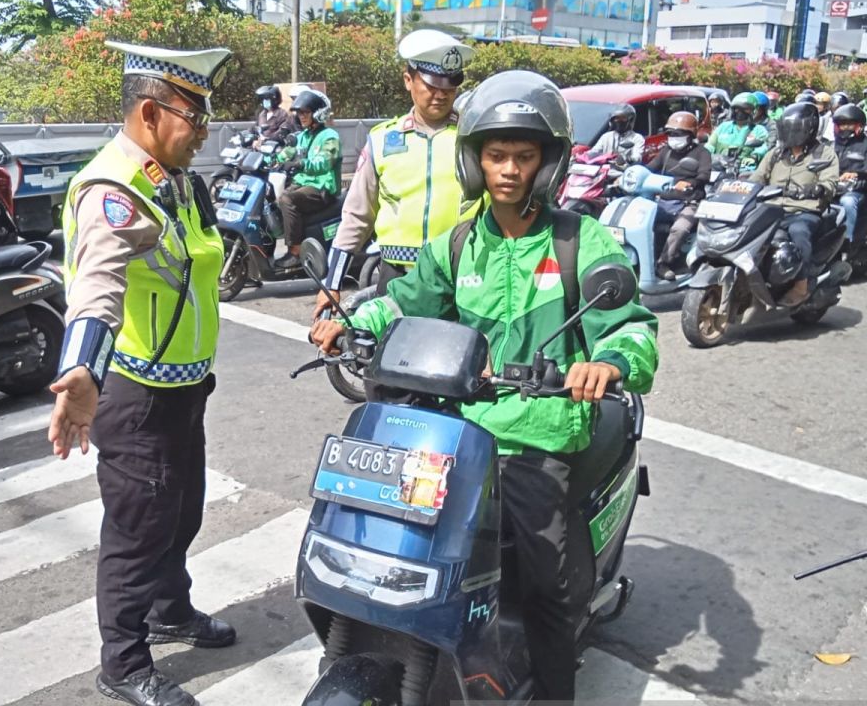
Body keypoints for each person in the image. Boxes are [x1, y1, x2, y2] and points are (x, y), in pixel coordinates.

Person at [310, 70, 659, 702]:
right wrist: (352, 321)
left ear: (547, 163)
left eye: (523, 156)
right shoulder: (460, 242)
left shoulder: (582, 240)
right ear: (475, 159)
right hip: (458, 432)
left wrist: (606, 363)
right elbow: (405, 302)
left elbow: (630, 326)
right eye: (496, 155)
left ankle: (553, 691)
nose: (508, 169)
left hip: (538, 435)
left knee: (549, 588)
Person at [49, 40, 232, 706]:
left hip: (185, 388)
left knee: (179, 514)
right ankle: (122, 662)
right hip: (138, 395)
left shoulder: (174, 177)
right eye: (195, 115)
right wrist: (80, 372)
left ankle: (170, 609)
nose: (205, 130)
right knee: (135, 531)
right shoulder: (115, 189)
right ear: (151, 112)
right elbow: (96, 285)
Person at [317, 29, 483, 315]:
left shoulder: (475, 139)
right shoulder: (382, 140)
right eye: (432, 85)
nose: (441, 95)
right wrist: (332, 282)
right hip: (397, 278)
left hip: (461, 278)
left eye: (450, 87)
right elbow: (357, 215)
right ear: (409, 80)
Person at [749, 102, 841, 307]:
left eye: (795, 129)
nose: (790, 134)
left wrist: (818, 189)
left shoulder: (824, 153)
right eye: (787, 129)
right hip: (771, 209)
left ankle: (801, 285)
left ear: (809, 129)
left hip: (804, 211)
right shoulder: (776, 153)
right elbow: (757, 178)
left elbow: (830, 182)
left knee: (800, 233)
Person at [275, 89, 342, 270]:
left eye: (306, 112)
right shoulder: (302, 137)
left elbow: (325, 162)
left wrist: (301, 164)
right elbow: (285, 154)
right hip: (303, 184)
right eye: (299, 113)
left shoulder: (330, 137)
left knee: (287, 199)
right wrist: (269, 159)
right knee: (273, 201)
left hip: (322, 187)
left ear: (318, 113)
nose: (301, 117)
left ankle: (295, 252)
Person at [649, 111, 712, 280]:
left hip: (689, 202)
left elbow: (704, 175)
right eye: (671, 134)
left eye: (679, 134)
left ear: (690, 135)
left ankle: (663, 263)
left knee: (680, 228)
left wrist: (690, 183)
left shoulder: (702, 153)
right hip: (663, 199)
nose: (673, 137)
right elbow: (650, 168)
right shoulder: (666, 151)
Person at [832, 103, 867, 249]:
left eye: (849, 124)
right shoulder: (832, 145)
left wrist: (856, 173)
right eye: (842, 124)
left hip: (858, 189)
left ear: (859, 125)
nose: (845, 127)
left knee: (847, 202)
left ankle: (847, 243)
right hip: (833, 186)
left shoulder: (865, 144)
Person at [705, 92, 770, 169]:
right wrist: (706, 156)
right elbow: (709, 145)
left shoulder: (759, 130)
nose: (739, 112)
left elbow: (765, 147)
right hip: (719, 168)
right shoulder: (723, 127)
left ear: (753, 111)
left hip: (744, 171)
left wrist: (754, 156)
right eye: (737, 109)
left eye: (745, 109)